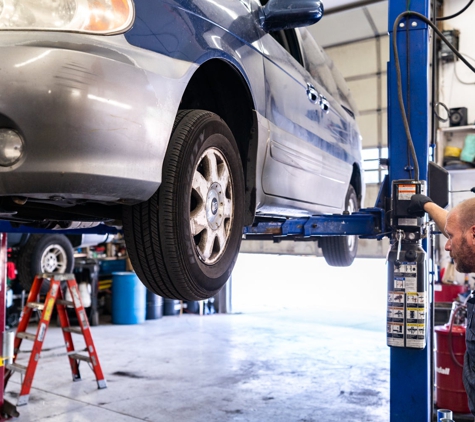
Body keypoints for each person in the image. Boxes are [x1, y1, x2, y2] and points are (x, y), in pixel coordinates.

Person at [408, 194, 475, 417]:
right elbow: (459, 226)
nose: (447, 246)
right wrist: (427, 205)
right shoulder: (468, 231)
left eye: (451, 237)